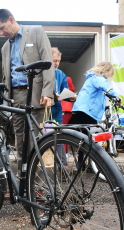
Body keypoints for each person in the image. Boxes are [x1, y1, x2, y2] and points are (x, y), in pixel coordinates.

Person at [0, 9, 55, 198]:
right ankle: (23, 187)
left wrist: (47, 91)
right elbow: (6, 75)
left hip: (35, 95)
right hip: (15, 98)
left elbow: (47, 61)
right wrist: (5, 100)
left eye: (2, 28)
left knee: (34, 144)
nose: (2, 33)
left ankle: (39, 189)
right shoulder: (5, 48)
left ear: (11, 19)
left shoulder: (35, 32)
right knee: (20, 144)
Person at [72, 61, 121, 166]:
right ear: (106, 71)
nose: (109, 77)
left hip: (81, 109)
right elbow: (107, 88)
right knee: (93, 136)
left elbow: (95, 98)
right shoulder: (98, 78)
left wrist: (106, 106)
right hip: (87, 110)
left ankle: (81, 162)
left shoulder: (91, 79)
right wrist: (117, 97)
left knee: (85, 136)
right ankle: (92, 163)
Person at [51, 47, 77, 176]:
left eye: (58, 61)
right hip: (44, 112)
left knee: (59, 139)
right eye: (54, 60)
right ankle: (44, 166)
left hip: (57, 111)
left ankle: (62, 166)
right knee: (44, 139)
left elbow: (64, 91)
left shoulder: (61, 74)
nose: (56, 63)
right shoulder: (43, 72)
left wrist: (71, 96)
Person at [61, 76, 75, 156]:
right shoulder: (68, 78)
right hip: (68, 109)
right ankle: (65, 151)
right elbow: (72, 89)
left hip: (64, 108)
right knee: (63, 130)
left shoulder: (64, 78)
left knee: (61, 131)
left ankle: (65, 152)